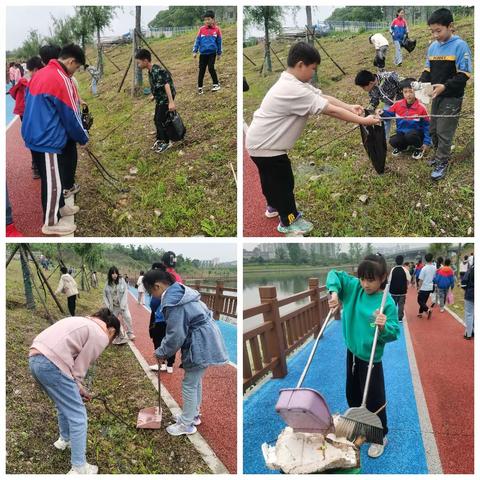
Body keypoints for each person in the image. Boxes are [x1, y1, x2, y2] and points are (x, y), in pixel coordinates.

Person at [246, 42, 380, 236]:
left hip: (258, 143)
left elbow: (323, 97)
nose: (313, 73)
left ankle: (272, 206)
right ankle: (289, 221)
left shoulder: (293, 83)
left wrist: (350, 106)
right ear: (301, 65)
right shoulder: (293, 89)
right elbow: (330, 110)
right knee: (284, 184)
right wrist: (363, 121)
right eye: (313, 69)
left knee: (270, 180)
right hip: (268, 147)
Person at [28, 308, 120, 474]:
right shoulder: (99, 333)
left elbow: (70, 369)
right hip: (52, 364)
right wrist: (78, 386)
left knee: (62, 405)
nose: (109, 343)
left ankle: (64, 440)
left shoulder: (81, 321)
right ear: (111, 330)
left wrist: (77, 388)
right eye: (112, 339)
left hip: (35, 360)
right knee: (78, 416)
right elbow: (79, 369)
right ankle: (79, 468)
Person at [326, 253, 399, 458]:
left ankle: (380, 436)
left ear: (382, 277)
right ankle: (359, 428)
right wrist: (334, 294)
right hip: (352, 353)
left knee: (375, 400)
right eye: (362, 278)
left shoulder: (387, 303)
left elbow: (394, 332)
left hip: (371, 360)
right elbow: (334, 275)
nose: (365, 284)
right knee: (353, 393)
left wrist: (384, 326)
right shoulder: (354, 288)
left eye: (371, 279)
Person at [142, 268, 228, 436]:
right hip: (207, 336)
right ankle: (193, 415)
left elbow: (176, 335)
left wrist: (161, 352)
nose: (152, 296)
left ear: (157, 286)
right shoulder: (181, 291)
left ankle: (186, 425)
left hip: (200, 342)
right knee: (195, 381)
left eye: (151, 291)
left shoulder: (173, 302)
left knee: (189, 384)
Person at [22, 44, 88, 236]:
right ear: (71, 61)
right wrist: (83, 137)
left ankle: (60, 207)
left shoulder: (41, 73)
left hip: (35, 134)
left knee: (55, 176)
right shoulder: (61, 78)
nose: (73, 72)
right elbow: (71, 115)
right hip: (46, 138)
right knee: (53, 182)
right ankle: (50, 222)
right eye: (76, 68)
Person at [417, 8, 472, 181]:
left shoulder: (460, 45)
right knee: (433, 129)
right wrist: (419, 83)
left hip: (451, 96)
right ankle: (438, 155)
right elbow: (427, 70)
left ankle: (443, 161)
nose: (435, 35)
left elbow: (464, 74)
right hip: (437, 96)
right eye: (432, 31)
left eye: (438, 31)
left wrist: (445, 87)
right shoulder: (433, 47)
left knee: (444, 131)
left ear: (450, 26)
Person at [135, 48, 176, 154]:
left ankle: (167, 142)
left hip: (166, 98)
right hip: (160, 98)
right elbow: (157, 85)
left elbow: (166, 84)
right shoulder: (150, 71)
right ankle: (160, 139)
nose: (138, 65)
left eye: (139, 62)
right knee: (156, 119)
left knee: (161, 119)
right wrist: (154, 95)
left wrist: (171, 102)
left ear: (145, 61)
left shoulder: (157, 70)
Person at [9, 56, 44, 179]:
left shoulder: (22, 80)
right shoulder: (33, 81)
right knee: (36, 137)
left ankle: (36, 165)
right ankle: (37, 166)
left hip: (23, 112)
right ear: (35, 69)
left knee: (31, 137)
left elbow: (13, 94)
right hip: (30, 112)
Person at [380, 78, 432, 159]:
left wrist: (426, 142)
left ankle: (418, 148)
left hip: (416, 134)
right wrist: (382, 113)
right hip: (402, 133)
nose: (408, 94)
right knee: (393, 141)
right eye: (405, 92)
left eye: (411, 91)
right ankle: (404, 147)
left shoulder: (421, 108)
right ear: (402, 93)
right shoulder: (397, 105)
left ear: (416, 92)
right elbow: (388, 116)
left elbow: (427, 126)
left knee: (410, 135)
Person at [354, 69, 402, 139]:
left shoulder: (389, 77)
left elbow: (405, 84)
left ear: (370, 83)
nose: (363, 89)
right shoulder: (372, 89)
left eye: (363, 87)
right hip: (389, 104)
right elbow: (374, 101)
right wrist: (365, 113)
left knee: (401, 120)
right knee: (384, 118)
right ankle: (384, 140)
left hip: (402, 101)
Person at [193, 9, 222, 94]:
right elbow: (197, 41)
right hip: (203, 54)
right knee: (201, 70)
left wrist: (219, 53)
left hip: (212, 53)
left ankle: (216, 84)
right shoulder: (202, 29)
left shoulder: (217, 30)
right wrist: (195, 51)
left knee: (211, 68)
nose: (207, 21)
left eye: (209, 19)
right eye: (205, 20)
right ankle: (200, 87)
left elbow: (219, 42)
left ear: (213, 19)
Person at [103, 266, 135, 343]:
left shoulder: (122, 281)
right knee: (113, 321)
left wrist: (123, 305)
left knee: (128, 317)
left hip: (123, 305)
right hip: (114, 306)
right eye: (113, 273)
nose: (114, 275)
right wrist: (109, 306)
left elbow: (125, 293)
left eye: (116, 273)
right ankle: (119, 335)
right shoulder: (107, 284)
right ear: (110, 274)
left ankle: (130, 333)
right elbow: (105, 296)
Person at [417, 253, 437, 318]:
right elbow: (434, 277)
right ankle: (420, 313)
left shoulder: (424, 268)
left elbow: (421, 280)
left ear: (425, 259)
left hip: (424, 287)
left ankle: (428, 310)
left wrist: (418, 288)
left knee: (419, 300)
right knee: (424, 301)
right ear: (432, 259)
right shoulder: (434, 268)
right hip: (430, 287)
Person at [390, 255, 408, 322]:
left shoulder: (393, 269)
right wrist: (406, 285)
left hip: (393, 291)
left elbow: (389, 280)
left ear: (395, 261)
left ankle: (393, 317)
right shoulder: (405, 269)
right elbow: (408, 279)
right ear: (402, 261)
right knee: (401, 305)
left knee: (393, 304)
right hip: (402, 291)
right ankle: (400, 318)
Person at [461, 262, 474, 339]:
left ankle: (468, 334)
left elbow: (463, 284)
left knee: (469, 314)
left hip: (470, 294)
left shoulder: (470, 270)